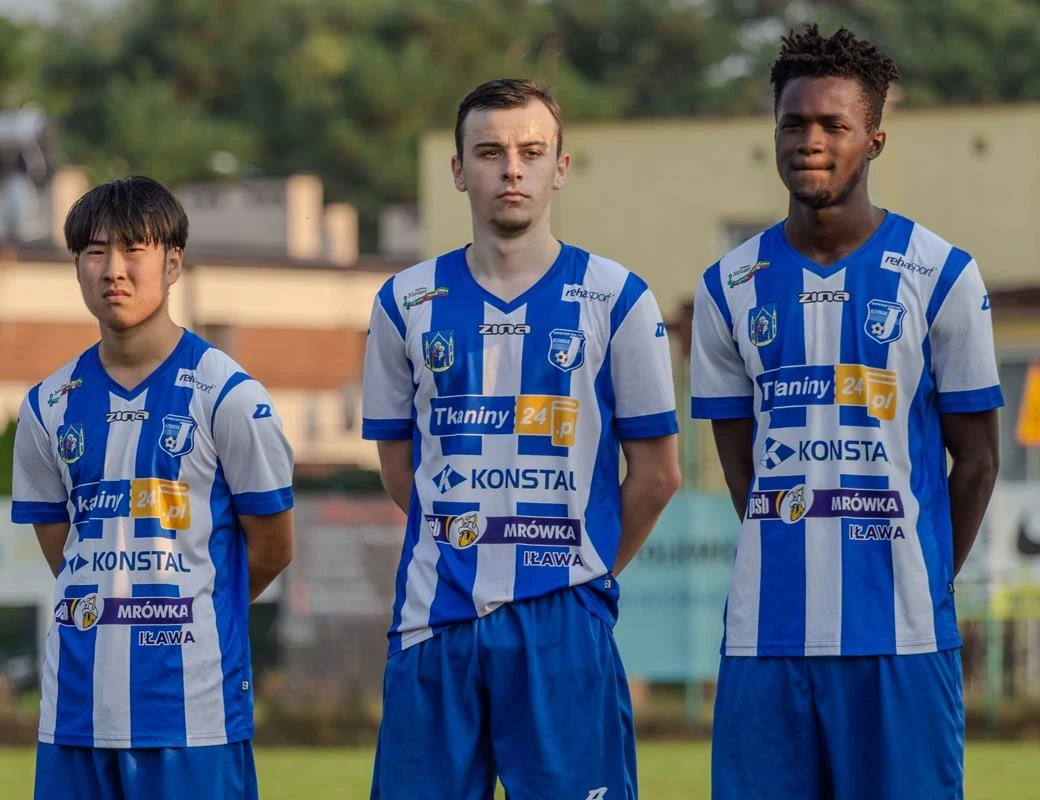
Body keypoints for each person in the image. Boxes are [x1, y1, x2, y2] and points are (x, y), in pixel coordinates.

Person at [690, 25, 1003, 799]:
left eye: (834, 124)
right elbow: (741, 466)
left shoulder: (941, 274)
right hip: (767, 640)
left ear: (874, 140)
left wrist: (923, 577)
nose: (811, 141)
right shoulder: (728, 286)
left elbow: (978, 461)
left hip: (901, 638)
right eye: (794, 123)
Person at [362, 78, 681, 799]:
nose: (512, 169)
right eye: (490, 153)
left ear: (560, 168)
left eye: (531, 152)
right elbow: (398, 468)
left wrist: (583, 570)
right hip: (435, 619)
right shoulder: (404, 302)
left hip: (563, 619)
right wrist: (465, 545)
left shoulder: (618, 299)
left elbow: (658, 475)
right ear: (458, 170)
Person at [11, 176, 295, 800]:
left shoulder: (228, 396)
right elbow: (65, 552)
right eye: (95, 251)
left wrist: (195, 607)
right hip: (75, 712)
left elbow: (273, 548)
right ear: (77, 266)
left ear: (173, 263)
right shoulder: (46, 406)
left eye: (134, 250)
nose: (114, 269)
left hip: (193, 710)